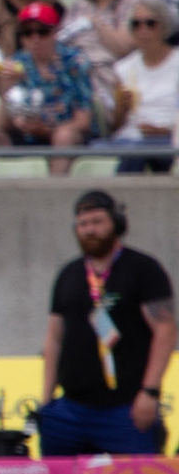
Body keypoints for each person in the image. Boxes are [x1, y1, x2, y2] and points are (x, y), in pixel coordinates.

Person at [37, 189, 174, 455]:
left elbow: (165, 330)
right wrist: (46, 401)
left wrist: (150, 392)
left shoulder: (143, 268)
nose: (90, 230)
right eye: (83, 224)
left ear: (116, 224)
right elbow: (54, 338)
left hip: (126, 409)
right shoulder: (69, 274)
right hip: (70, 410)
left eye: (98, 222)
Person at [0, 0, 97, 170]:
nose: (35, 39)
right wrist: (8, 88)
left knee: (64, 136)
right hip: (26, 136)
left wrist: (48, 130)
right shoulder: (16, 62)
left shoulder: (75, 62)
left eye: (42, 32)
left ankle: (54, 192)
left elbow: (83, 121)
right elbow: (2, 124)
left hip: (64, 136)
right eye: (28, 33)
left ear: (54, 33)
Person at [60, 0, 134, 124]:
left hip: (109, 73)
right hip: (75, 71)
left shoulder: (131, 2)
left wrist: (95, 22)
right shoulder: (80, 4)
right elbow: (59, 43)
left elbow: (122, 47)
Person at [107, 0, 179, 173]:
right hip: (131, 138)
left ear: (164, 26)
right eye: (136, 24)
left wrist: (165, 130)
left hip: (171, 138)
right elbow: (116, 126)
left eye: (150, 23)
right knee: (135, 149)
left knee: (141, 151)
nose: (143, 30)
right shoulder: (123, 68)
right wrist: (122, 109)